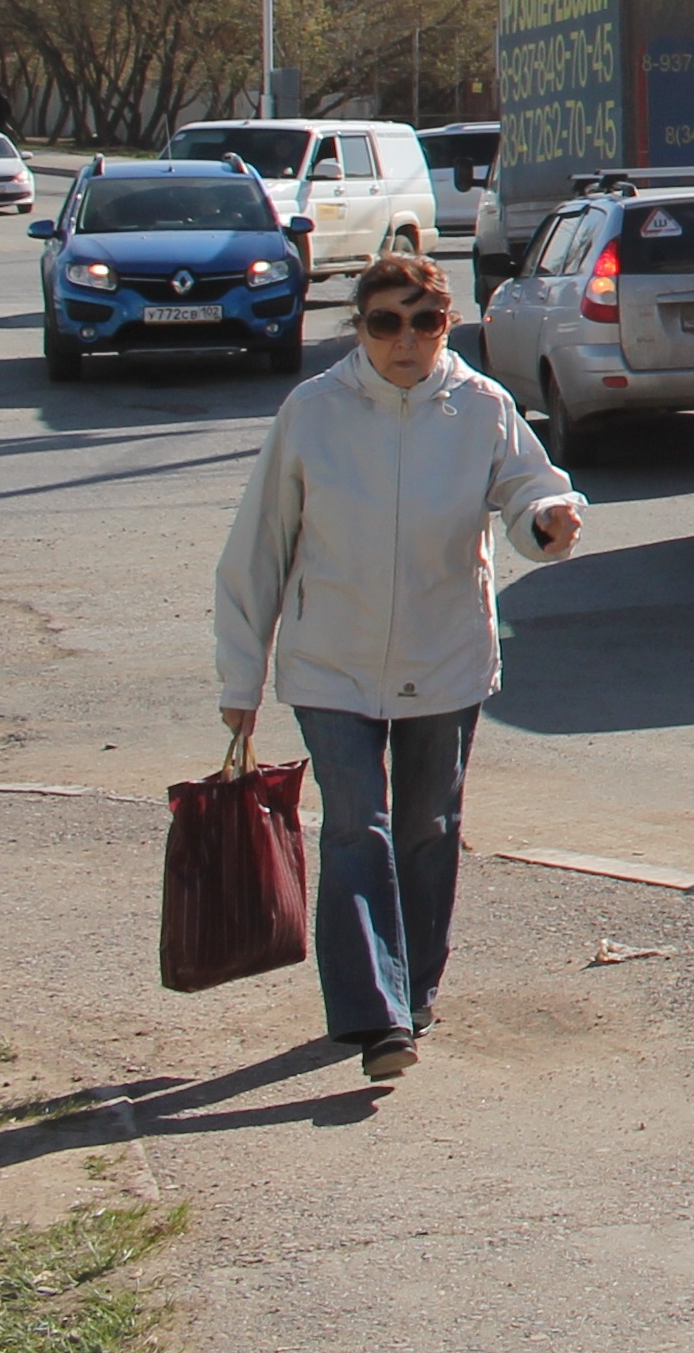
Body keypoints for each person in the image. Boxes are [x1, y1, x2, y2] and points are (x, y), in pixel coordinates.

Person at [214, 249, 583, 1082]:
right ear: (360, 329)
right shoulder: (313, 411)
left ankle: (411, 994)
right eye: (385, 323)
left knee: (428, 830)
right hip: (330, 662)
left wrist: (548, 519)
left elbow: (532, 491)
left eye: (425, 322)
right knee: (356, 827)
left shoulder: (480, 405)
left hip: (444, 659)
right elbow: (258, 548)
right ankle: (373, 1014)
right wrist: (241, 677)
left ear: (447, 325)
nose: (406, 340)